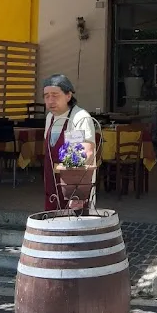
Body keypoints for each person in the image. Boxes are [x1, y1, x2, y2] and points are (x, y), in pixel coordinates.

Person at [42, 74, 97, 211]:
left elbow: (86, 153)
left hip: (73, 186)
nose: (50, 100)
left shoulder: (79, 118)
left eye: (55, 95)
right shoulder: (50, 117)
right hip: (52, 183)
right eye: (46, 96)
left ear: (68, 95)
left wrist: (76, 192)